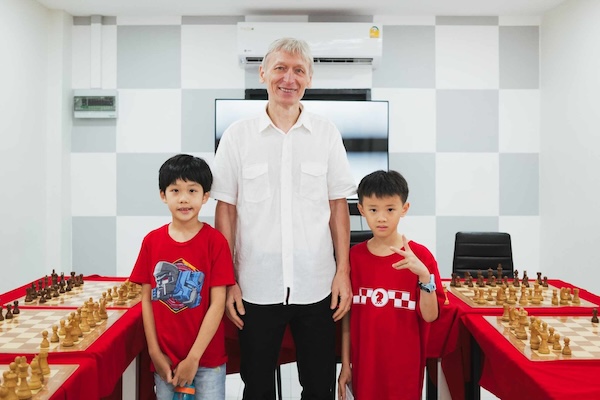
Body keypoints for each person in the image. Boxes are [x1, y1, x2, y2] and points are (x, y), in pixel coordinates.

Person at [211, 37, 356, 399]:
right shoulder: (237, 136)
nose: (288, 78)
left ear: (309, 78)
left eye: (298, 70)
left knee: (319, 385)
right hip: (256, 287)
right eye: (280, 68)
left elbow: (338, 204)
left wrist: (343, 272)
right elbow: (225, 208)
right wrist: (228, 279)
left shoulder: (326, 133)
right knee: (257, 385)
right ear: (263, 73)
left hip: (317, 285)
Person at [129, 154, 235, 400]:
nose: (184, 198)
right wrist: (155, 353)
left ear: (205, 196)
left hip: (207, 360)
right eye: (175, 190)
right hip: (165, 360)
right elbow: (146, 300)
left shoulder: (215, 242)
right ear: (163, 195)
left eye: (192, 190)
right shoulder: (152, 242)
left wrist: (194, 357)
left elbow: (217, 303)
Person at [337, 170, 445, 400]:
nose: (382, 218)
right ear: (361, 209)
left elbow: (430, 316)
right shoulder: (353, 258)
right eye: (373, 210)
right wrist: (346, 364)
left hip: (404, 371)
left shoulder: (420, 257)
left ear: (404, 209)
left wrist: (425, 278)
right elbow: (347, 316)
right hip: (365, 367)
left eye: (390, 209)